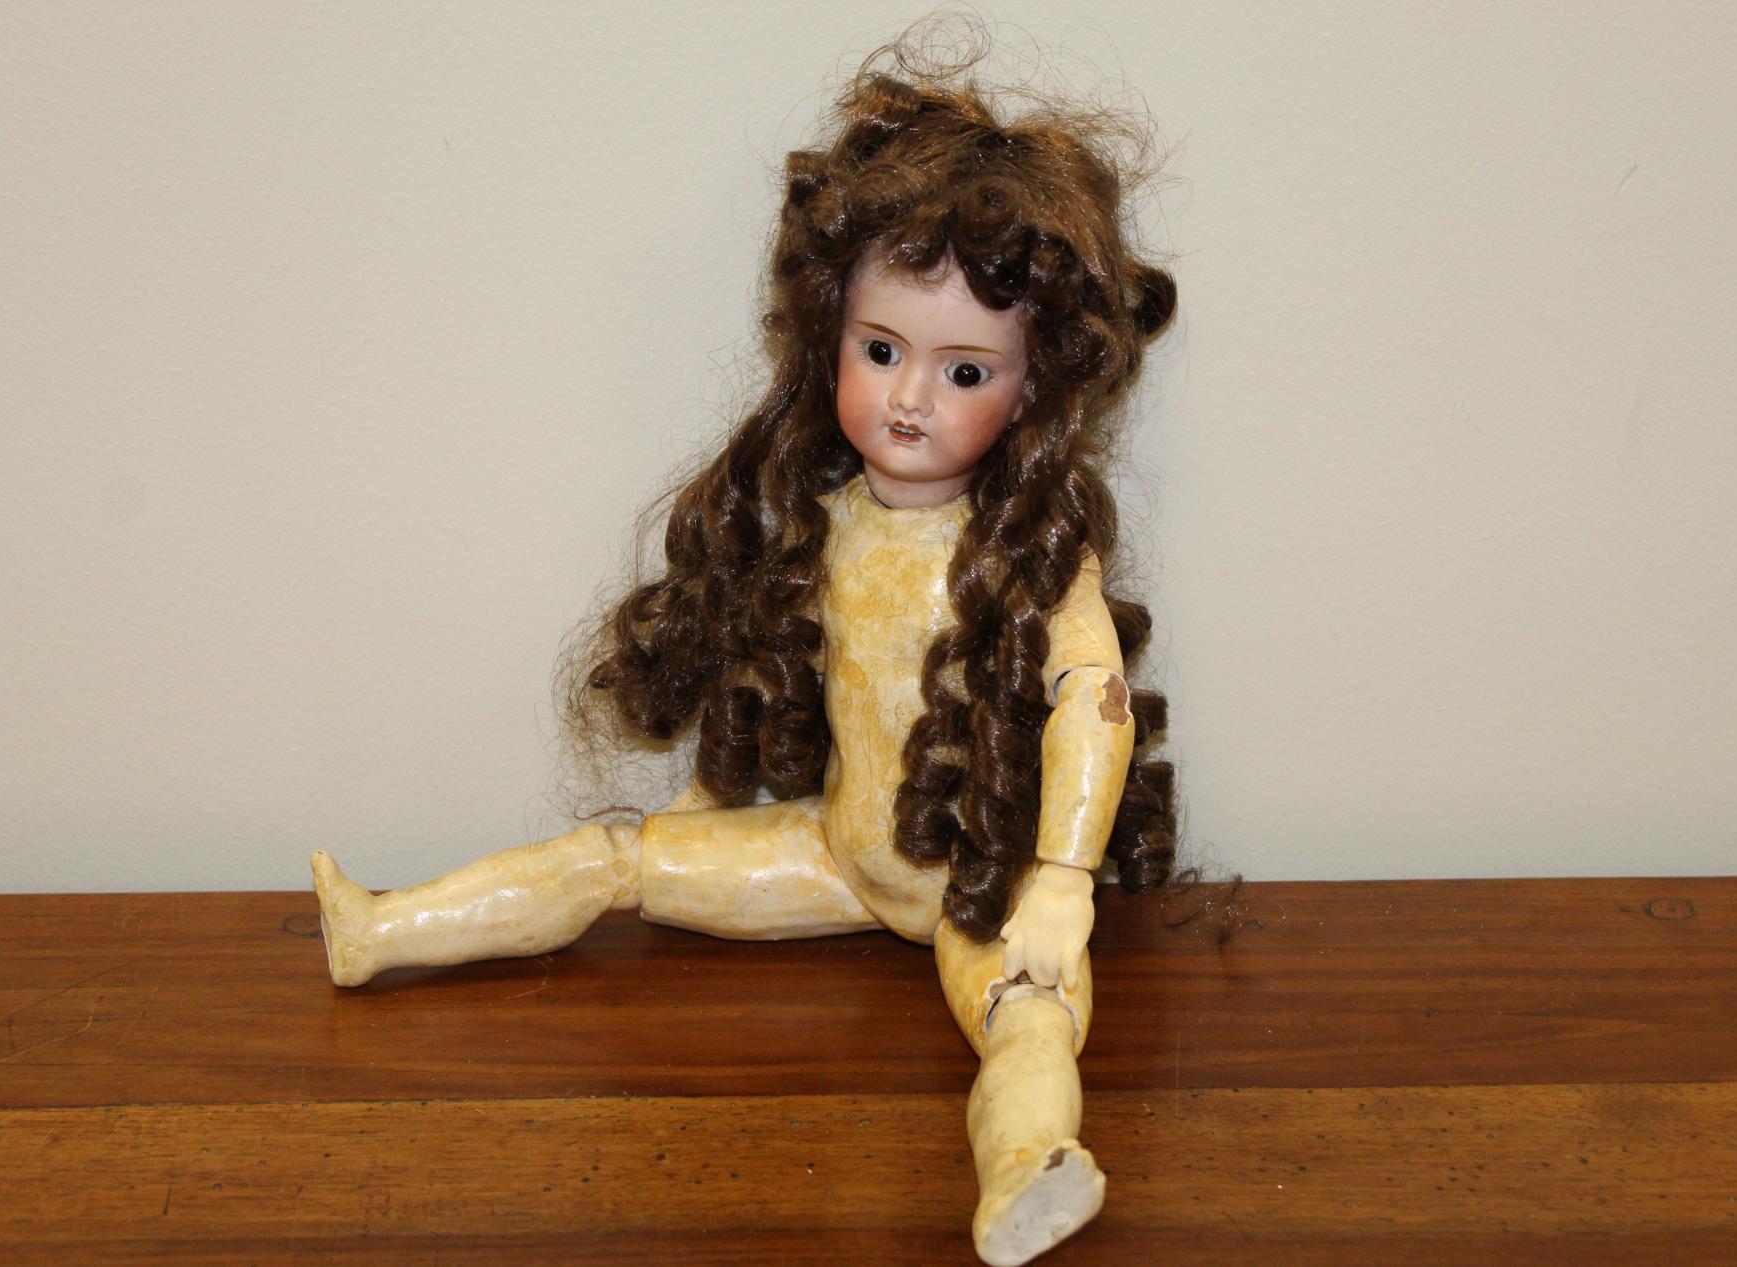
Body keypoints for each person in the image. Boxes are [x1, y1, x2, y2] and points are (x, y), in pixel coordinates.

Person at [311, 42, 1178, 1266]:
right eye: (881, 349)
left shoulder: (1028, 556)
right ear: (830, 334)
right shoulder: (831, 519)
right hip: (831, 852)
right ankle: (381, 930)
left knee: (1029, 1015)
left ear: (1036, 388)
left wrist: (1061, 882)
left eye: (964, 370)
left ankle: (1028, 1170)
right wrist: (717, 791)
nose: (909, 398)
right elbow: (778, 662)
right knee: (617, 856)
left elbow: (1092, 698)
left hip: (972, 885)